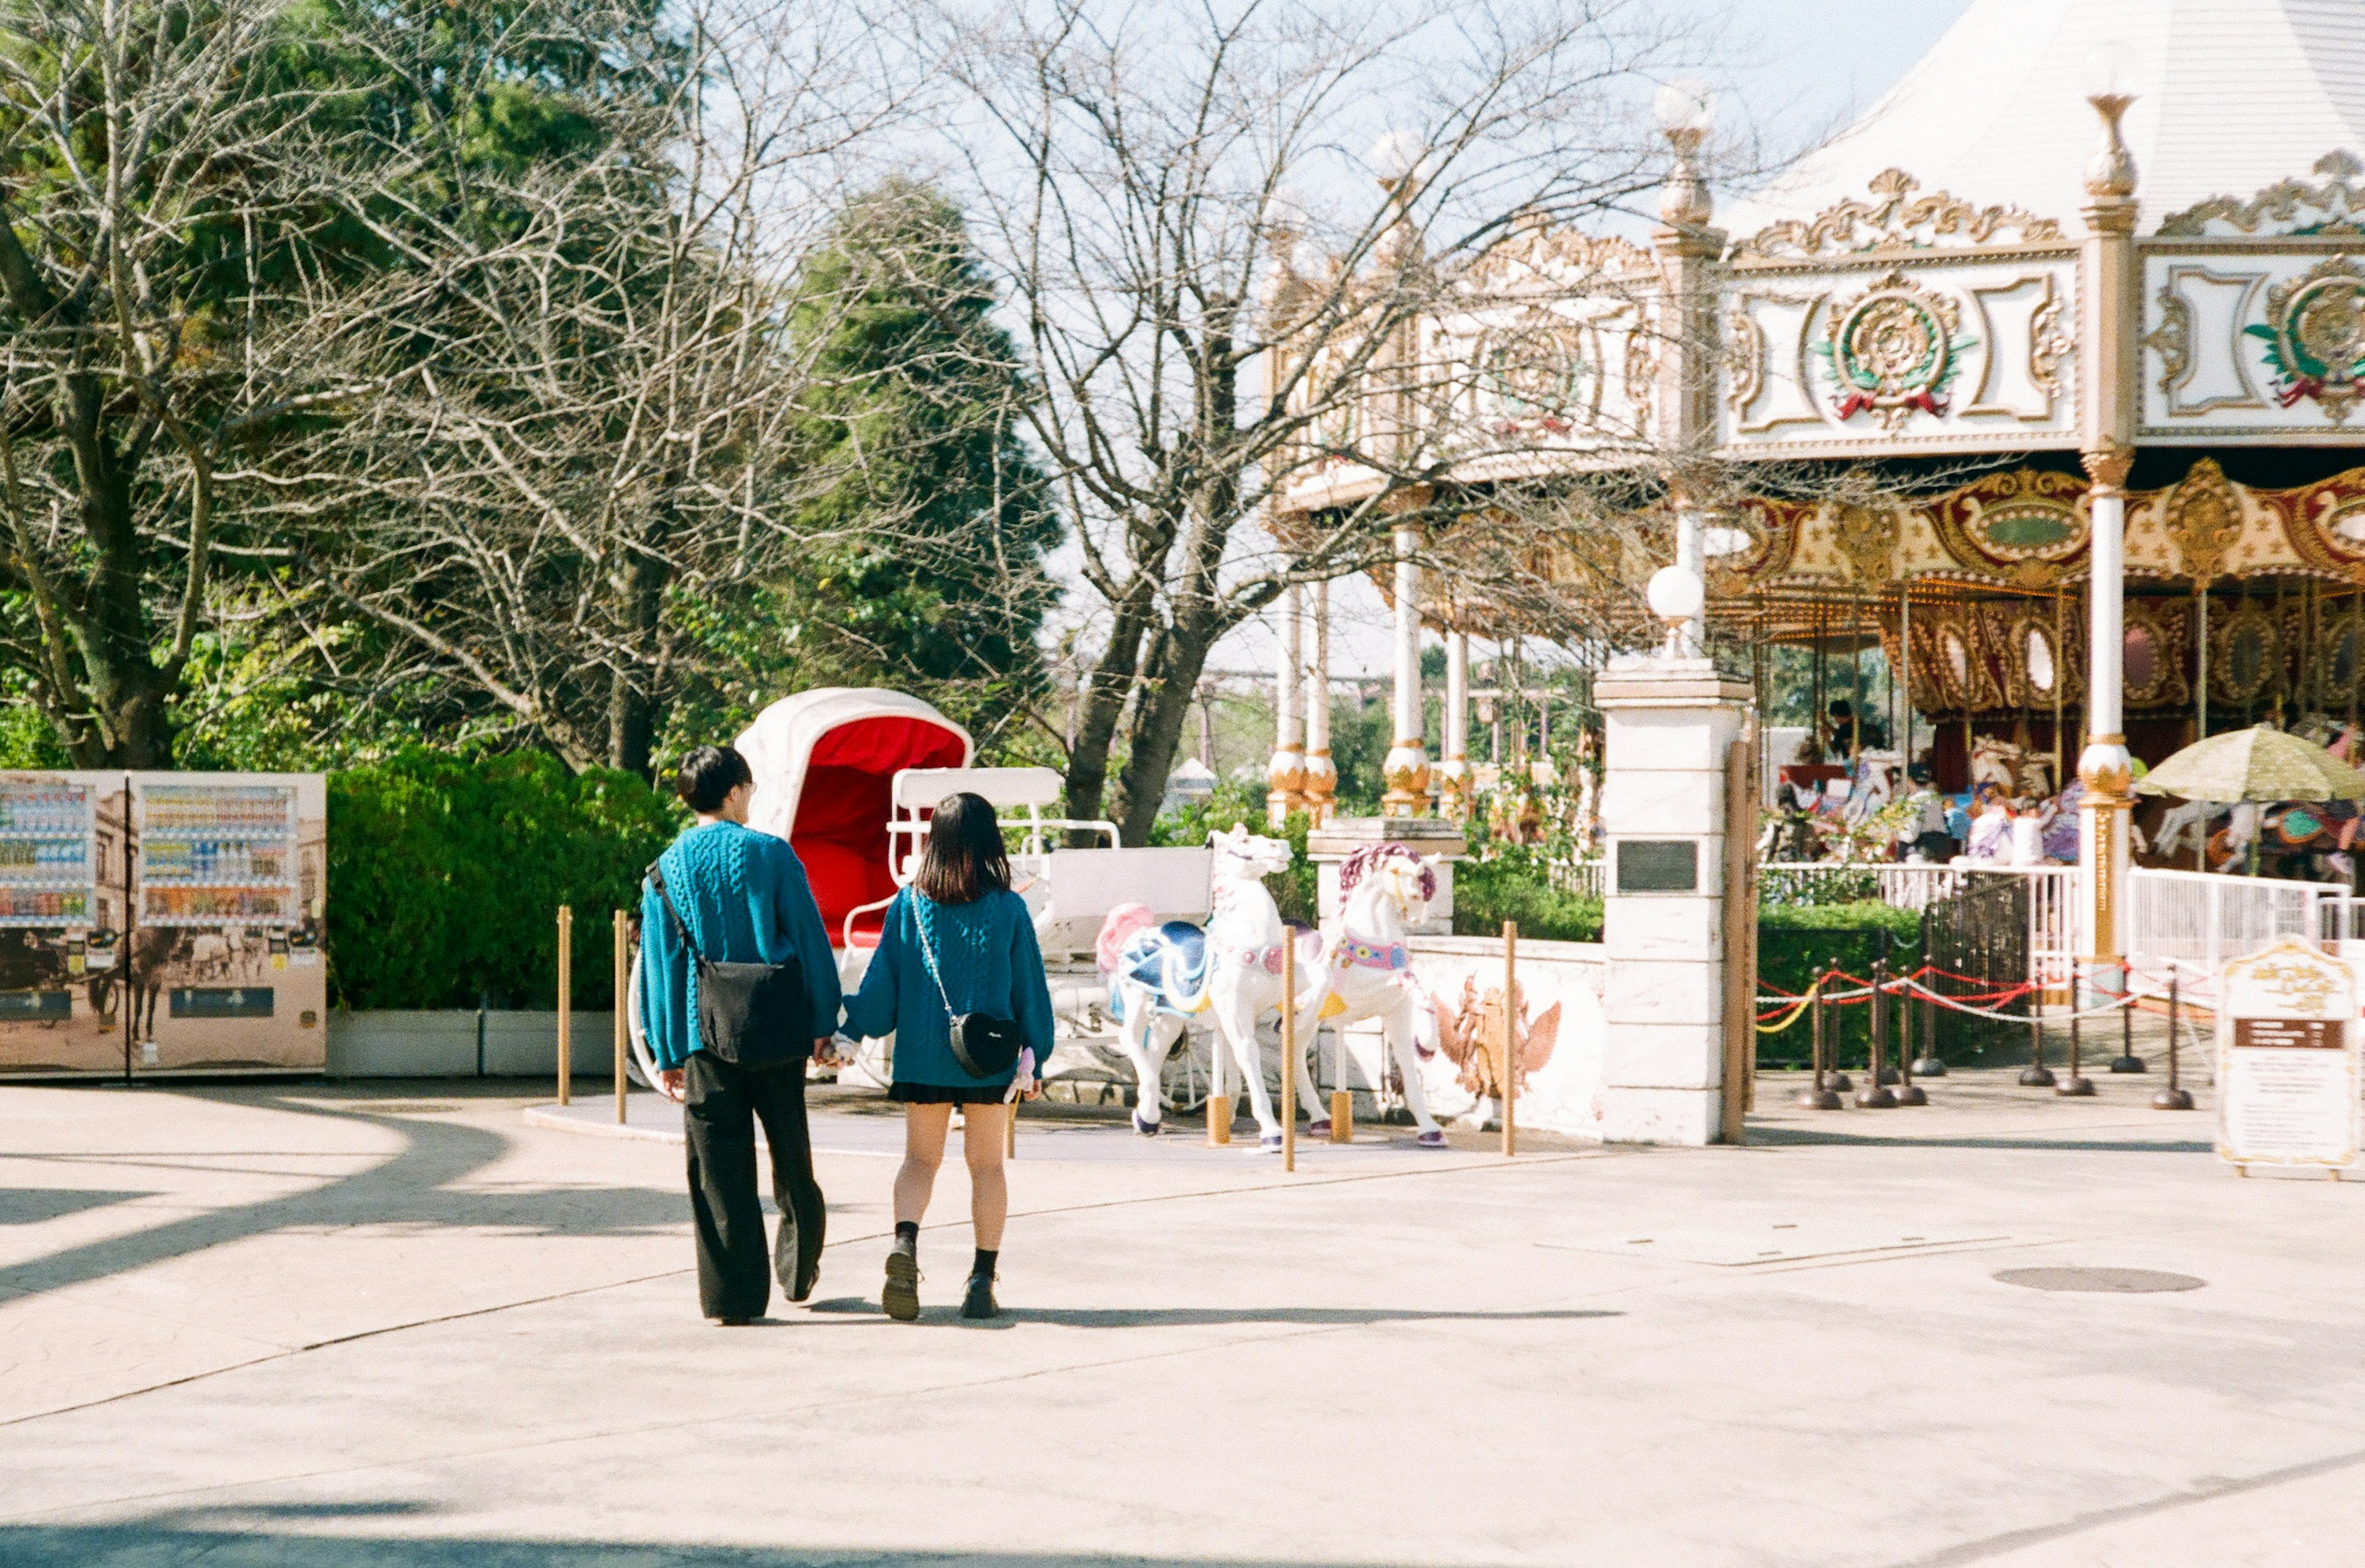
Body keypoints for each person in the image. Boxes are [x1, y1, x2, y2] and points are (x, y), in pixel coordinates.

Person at [639, 745, 842, 1326]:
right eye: (748, 788)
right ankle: (799, 1265)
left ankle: (732, 1298)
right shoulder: (772, 855)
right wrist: (824, 1022)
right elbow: (808, 939)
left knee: (717, 1171)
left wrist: (667, 1050)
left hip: (704, 1037)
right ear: (731, 792)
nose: (751, 798)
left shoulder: (665, 868)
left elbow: (662, 962)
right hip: (776, 1027)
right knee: (791, 1157)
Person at [843, 792, 1054, 1322]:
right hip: (990, 1060)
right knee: (986, 1166)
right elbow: (1031, 991)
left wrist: (846, 1028)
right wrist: (1036, 1058)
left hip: (923, 1058)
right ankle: (982, 1280)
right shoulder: (1008, 908)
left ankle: (906, 1246)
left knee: (920, 1161)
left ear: (933, 839)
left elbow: (879, 994)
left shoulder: (908, 906)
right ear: (990, 841)